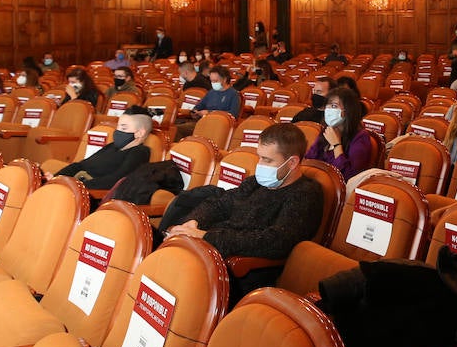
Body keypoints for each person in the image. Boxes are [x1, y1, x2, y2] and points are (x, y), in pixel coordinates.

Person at [159, 123, 321, 264]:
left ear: (292, 162)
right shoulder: (255, 182)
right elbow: (220, 203)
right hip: (211, 248)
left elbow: (275, 242)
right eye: (259, 157)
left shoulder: (305, 194)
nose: (260, 165)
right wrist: (194, 221)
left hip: (240, 266)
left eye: (267, 160)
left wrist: (206, 237)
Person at [54, 107, 155, 190]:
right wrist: (56, 178)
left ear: (140, 133)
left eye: (124, 128)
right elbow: (81, 165)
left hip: (90, 194)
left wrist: (77, 186)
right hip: (76, 186)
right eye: (118, 127)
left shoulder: (140, 152)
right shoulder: (112, 146)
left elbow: (115, 181)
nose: (117, 131)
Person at [305, 84, 374, 180]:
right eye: (327, 106)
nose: (328, 110)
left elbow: (349, 177)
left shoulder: (361, 137)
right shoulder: (327, 130)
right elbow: (309, 160)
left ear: (347, 111)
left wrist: (337, 145)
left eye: (334, 106)